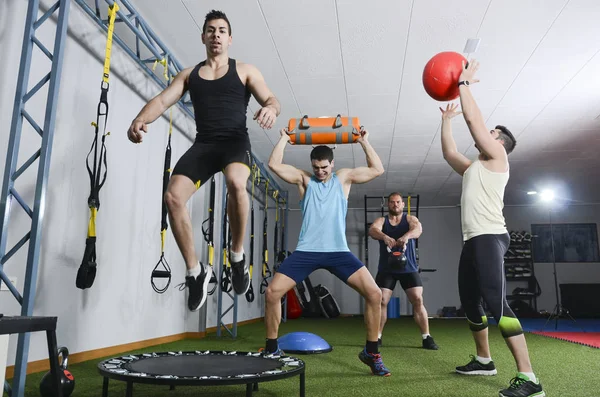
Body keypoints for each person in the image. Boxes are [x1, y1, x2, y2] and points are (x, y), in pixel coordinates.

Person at [127, 10, 280, 312]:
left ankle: (237, 257)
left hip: (235, 142)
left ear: (229, 38)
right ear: (203, 37)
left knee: (237, 182)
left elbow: (272, 100)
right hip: (205, 145)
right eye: (211, 30)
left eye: (222, 30)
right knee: (172, 198)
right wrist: (140, 119)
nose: (216, 35)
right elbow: (161, 101)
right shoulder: (189, 75)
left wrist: (272, 110)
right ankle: (195, 272)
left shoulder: (245, 70)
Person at [440, 59, 544, 397]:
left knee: (496, 304)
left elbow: (474, 121)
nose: (489, 135)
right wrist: (445, 121)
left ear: (499, 143)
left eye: (493, 134)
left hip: (489, 237)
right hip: (473, 240)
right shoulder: (473, 169)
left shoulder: (499, 160)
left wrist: (464, 84)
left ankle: (530, 379)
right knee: (470, 301)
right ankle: (485, 360)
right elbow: (449, 152)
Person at [265, 127, 390, 376]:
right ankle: (271, 349)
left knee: (375, 294)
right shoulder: (304, 179)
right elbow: (274, 164)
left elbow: (378, 169)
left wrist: (364, 141)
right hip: (306, 251)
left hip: (337, 251)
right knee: (271, 293)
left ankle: (371, 352)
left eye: (325, 167)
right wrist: (284, 139)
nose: (320, 172)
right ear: (312, 165)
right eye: (317, 167)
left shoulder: (342, 178)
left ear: (332, 164)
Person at [368, 193, 439, 350]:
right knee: (381, 301)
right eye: (392, 202)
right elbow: (372, 230)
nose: (395, 205)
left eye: (398, 202)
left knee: (418, 300)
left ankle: (426, 337)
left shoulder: (409, 219)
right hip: (387, 269)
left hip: (408, 268)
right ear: (388, 204)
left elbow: (418, 229)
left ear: (402, 204)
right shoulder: (382, 221)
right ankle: (377, 336)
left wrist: (406, 236)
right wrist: (384, 237)